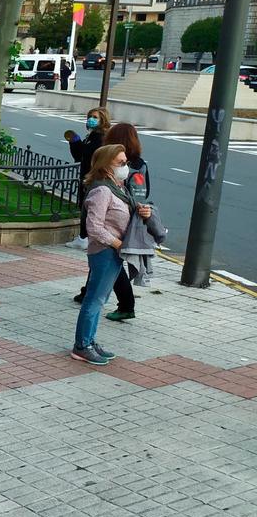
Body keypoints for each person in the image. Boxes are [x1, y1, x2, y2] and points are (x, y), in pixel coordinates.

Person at [72, 144, 152, 365]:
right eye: (121, 163)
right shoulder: (102, 191)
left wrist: (141, 210)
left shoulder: (119, 188)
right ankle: (82, 346)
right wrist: (118, 244)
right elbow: (94, 228)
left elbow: (123, 213)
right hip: (104, 252)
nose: (126, 167)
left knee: (101, 298)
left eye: (126, 162)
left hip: (114, 252)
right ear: (106, 166)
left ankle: (89, 341)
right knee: (95, 300)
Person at [106, 121, 153, 289]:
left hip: (118, 216)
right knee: (107, 259)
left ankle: (126, 304)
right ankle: (89, 291)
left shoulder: (128, 164)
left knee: (111, 260)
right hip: (122, 215)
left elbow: (139, 193)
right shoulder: (139, 164)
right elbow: (145, 193)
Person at [65, 106, 111, 250]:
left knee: (89, 208)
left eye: (95, 117)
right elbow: (80, 156)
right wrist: (74, 142)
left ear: (103, 119)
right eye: (90, 116)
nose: (91, 119)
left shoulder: (102, 138)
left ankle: (84, 238)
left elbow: (92, 156)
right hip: (87, 176)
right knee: (85, 206)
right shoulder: (91, 136)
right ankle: (85, 237)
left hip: (94, 178)